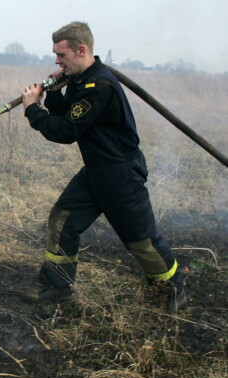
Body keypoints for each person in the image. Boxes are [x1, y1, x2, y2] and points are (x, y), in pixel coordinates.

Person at [21, 21, 186, 313]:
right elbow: (68, 118)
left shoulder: (100, 86)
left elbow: (66, 131)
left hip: (120, 174)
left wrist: (33, 108)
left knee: (141, 241)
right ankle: (56, 288)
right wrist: (56, 93)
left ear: (81, 49)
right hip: (96, 171)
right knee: (63, 221)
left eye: (61, 55)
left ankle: (170, 291)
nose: (57, 61)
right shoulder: (82, 81)